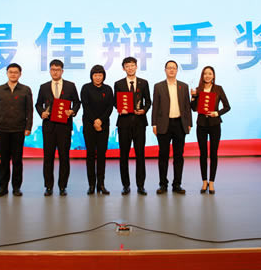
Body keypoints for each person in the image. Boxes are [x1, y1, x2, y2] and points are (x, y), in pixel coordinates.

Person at [35, 59, 81, 196]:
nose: (55, 72)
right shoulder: (44, 87)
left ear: (62, 71)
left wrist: (72, 111)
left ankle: (62, 186)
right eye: (53, 70)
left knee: (64, 157)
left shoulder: (70, 86)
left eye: (58, 70)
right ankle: (48, 186)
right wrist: (41, 112)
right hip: (49, 127)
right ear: (50, 71)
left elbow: (77, 102)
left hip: (64, 127)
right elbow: (38, 104)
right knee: (48, 158)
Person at [0, 63, 33, 197]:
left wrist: (28, 127)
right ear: (7, 73)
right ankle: (3, 188)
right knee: (4, 160)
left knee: (17, 160)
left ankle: (16, 187)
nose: (13, 74)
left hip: (19, 129)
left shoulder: (25, 90)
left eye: (16, 72)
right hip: (3, 129)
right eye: (11, 72)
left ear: (20, 74)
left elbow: (29, 111)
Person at [151, 60, 192, 194]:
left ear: (177, 70)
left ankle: (177, 184)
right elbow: (155, 106)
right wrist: (154, 124)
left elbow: (187, 106)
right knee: (163, 155)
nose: (171, 70)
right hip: (163, 124)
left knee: (178, 156)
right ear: (165, 70)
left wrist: (189, 123)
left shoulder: (183, 86)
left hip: (180, 124)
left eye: (174, 68)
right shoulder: (158, 86)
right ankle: (163, 184)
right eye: (169, 68)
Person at [114, 57, 152, 195]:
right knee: (123, 155)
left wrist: (144, 110)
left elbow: (148, 101)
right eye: (127, 66)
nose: (130, 68)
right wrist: (120, 108)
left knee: (140, 154)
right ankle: (126, 185)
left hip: (140, 123)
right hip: (124, 123)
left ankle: (141, 185)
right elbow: (115, 102)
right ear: (123, 68)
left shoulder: (143, 83)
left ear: (136, 66)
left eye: (132, 65)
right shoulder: (118, 84)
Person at [190, 66, 230, 194]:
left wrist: (216, 113)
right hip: (201, 125)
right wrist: (193, 97)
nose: (207, 76)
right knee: (202, 153)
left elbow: (227, 106)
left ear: (213, 76)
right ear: (202, 76)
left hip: (215, 124)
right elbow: (193, 108)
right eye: (205, 74)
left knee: (213, 153)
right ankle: (204, 181)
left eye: (210, 73)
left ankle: (212, 182)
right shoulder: (198, 90)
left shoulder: (218, 89)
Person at [80, 64, 114, 195]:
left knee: (101, 155)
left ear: (103, 76)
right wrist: (95, 121)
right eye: (95, 75)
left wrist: (100, 120)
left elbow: (110, 107)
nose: (98, 77)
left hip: (103, 126)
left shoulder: (108, 89)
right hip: (89, 125)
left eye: (100, 75)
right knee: (90, 155)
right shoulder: (86, 88)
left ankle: (101, 184)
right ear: (91, 76)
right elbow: (86, 106)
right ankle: (91, 184)